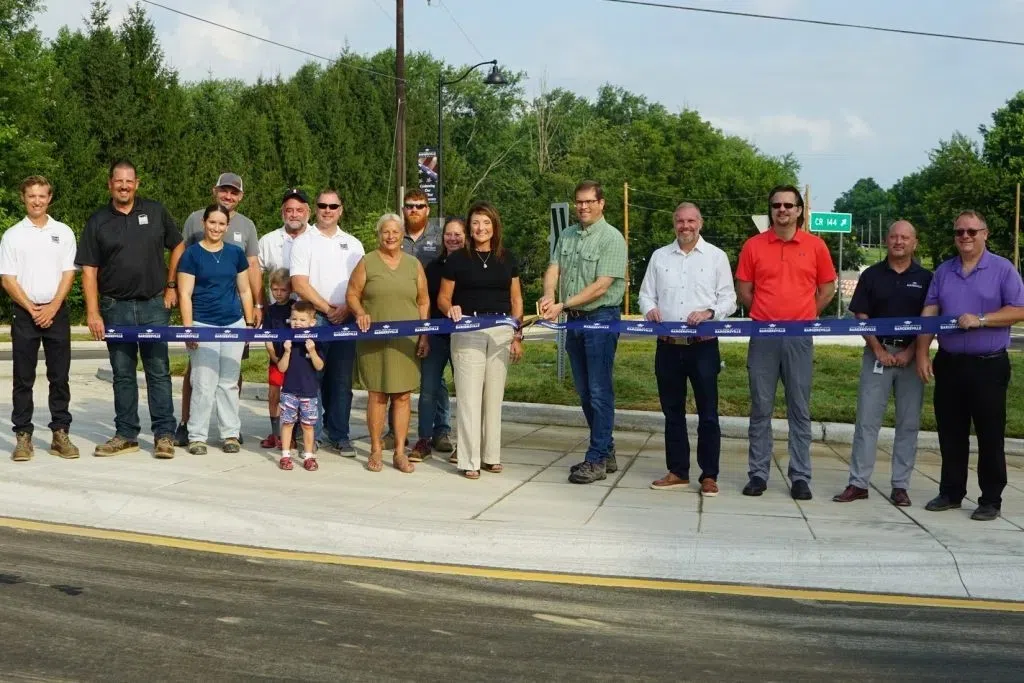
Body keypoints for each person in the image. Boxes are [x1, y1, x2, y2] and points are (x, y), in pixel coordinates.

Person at [916, 210, 1024, 521]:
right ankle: (951, 492)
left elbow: (1018, 309)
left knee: (990, 433)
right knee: (951, 432)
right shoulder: (944, 271)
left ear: (985, 234)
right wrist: (923, 352)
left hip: (988, 366)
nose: (965, 237)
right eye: (960, 232)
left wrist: (982, 320)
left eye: (972, 232)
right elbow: (930, 311)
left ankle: (991, 499)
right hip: (949, 363)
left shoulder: (1002, 269)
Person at [77, 160, 183, 459]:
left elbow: (177, 245)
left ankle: (164, 435)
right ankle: (126, 434)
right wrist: (93, 311)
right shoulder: (98, 221)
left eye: (129, 181)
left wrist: (171, 284)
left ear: (136, 184)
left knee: (158, 372)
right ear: (110, 183)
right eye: (118, 181)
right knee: (122, 374)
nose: (124, 186)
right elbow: (89, 269)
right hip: (115, 307)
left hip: (153, 304)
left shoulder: (155, 211)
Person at [736, 185, 836, 500]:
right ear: (771, 210)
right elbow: (744, 289)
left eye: (789, 206)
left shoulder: (816, 246)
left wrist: (805, 316)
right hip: (763, 335)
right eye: (777, 205)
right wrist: (765, 315)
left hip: (799, 337)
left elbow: (827, 289)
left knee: (799, 408)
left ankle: (801, 477)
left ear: (799, 210)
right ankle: (758, 474)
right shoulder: (753, 246)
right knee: (761, 407)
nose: (782, 210)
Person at [637, 202, 736, 496]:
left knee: (708, 412)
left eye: (691, 221)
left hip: (703, 347)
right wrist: (650, 309)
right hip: (667, 347)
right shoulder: (659, 257)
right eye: (680, 221)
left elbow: (729, 300)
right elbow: (645, 295)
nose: (686, 226)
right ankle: (678, 471)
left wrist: (709, 312)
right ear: (674, 224)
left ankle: (709, 475)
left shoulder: (716, 257)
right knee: (672, 412)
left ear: (700, 223)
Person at [834, 221, 931, 507]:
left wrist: (912, 352)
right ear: (886, 241)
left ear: (914, 243)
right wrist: (876, 348)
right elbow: (861, 315)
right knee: (866, 421)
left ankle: (900, 486)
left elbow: (930, 319)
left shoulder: (927, 278)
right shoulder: (872, 275)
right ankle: (858, 483)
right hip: (877, 353)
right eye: (893, 237)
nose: (898, 241)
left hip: (911, 357)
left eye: (905, 237)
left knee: (908, 423)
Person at [538, 180, 627, 485]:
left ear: (602, 203)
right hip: (574, 321)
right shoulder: (567, 234)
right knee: (586, 391)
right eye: (579, 202)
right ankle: (606, 448)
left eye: (589, 201)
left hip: (600, 318)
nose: (583, 207)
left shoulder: (612, 238)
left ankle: (597, 458)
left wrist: (563, 303)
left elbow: (602, 286)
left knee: (600, 390)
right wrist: (549, 295)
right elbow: (553, 268)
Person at [173, 173, 262, 446]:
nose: (216, 227)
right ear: (204, 223)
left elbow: (245, 290)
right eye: (212, 222)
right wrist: (188, 328)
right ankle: (197, 435)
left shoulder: (235, 253)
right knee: (202, 382)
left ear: (227, 226)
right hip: (203, 323)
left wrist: (248, 323)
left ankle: (230, 433)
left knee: (229, 382)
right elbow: (185, 294)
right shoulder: (191, 255)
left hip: (233, 323)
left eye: (221, 223)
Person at [437, 202, 524, 479]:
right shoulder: (457, 260)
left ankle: (490, 456)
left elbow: (516, 299)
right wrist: (450, 309)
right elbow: (443, 297)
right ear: (468, 227)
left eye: (486, 223)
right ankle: (468, 460)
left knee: (493, 397)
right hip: (468, 330)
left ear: (494, 226)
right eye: (475, 223)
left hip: (500, 331)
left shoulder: (507, 258)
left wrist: (516, 332)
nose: (481, 228)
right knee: (469, 397)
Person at [0, 176, 79, 461]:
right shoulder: (12, 235)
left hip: (56, 312)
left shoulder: (64, 232)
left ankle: (60, 433)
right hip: (24, 313)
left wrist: (53, 306)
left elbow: (69, 273)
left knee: (60, 377)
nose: (37, 201)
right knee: (23, 378)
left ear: (50, 198)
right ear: (23, 198)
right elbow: (7, 278)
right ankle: (23, 436)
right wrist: (32, 309)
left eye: (42, 196)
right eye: (31, 196)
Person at [346, 213, 430, 474]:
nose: (390, 236)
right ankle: (375, 449)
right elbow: (352, 294)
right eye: (385, 232)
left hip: (406, 340)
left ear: (402, 234)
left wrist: (424, 333)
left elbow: (424, 300)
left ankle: (400, 452)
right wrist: (360, 313)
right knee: (378, 394)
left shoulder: (414, 264)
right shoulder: (367, 262)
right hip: (373, 340)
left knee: (403, 396)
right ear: (378, 234)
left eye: (395, 232)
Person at [289, 189, 365, 457]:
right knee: (312, 380)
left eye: (333, 205)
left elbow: (360, 283)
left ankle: (340, 435)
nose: (328, 210)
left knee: (341, 382)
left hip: (346, 319)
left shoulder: (354, 244)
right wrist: (327, 308)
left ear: (341, 209)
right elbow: (299, 283)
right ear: (315, 209)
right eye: (322, 205)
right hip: (315, 319)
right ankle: (313, 434)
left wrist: (347, 308)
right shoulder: (303, 241)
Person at [383, 188, 453, 455]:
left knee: (434, 378)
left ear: (428, 209)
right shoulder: (394, 236)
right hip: (399, 315)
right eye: (409, 206)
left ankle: (441, 429)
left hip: (433, 314)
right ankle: (394, 430)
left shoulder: (440, 237)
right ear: (403, 210)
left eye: (420, 206)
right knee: (396, 372)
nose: (414, 210)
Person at [256, 188, 312, 447]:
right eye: (289, 209)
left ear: (307, 212)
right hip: (276, 322)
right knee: (276, 390)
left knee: (303, 386)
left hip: (307, 318)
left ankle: (304, 432)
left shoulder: (316, 237)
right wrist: (258, 304)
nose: (294, 214)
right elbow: (256, 274)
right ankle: (277, 433)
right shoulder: (268, 240)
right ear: (282, 212)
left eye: (299, 209)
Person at [410, 217, 467, 463]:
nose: (453, 238)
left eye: (458, 234)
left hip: (465, 336)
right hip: (436, 335)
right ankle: (423, 439)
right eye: (448, 234)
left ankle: (464, 443)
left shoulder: (473, 265)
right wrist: (424, 335)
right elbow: (424, 303)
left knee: (466, 391)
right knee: (428, 389)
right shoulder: (432, 268)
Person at [275, 301, 325, 471]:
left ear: (312, 322)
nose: (297, 322)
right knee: (287, 422)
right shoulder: (287, 340)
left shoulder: (316, 341)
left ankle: (309, 455)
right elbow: (281, 368)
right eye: (294, 318)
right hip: (289, 390)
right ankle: (286, 455)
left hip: (309, 391)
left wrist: (312, 351)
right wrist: (287, 351)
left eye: (302, 320)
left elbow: (319, 366)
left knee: (308, 425)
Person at [262, 268, 293, 449]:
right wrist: (273, 356)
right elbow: (266, 337)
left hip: (292, 360)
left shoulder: (295, 307)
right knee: (273, 395)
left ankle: (290, 433)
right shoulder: (270, 311)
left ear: (290, 290)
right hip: (275, 359)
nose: (279, 293)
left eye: (283, 290)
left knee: (291, 397)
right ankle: (275, 434)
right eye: (275, 290)